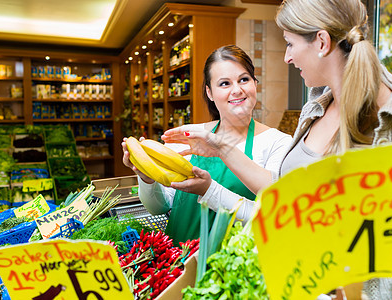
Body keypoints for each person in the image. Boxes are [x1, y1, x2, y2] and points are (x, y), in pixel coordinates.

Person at [161, 0, 392, 298]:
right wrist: (222, 148)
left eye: (290, 44)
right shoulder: (316, 108)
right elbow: (286, 199)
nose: (287, 58)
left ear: (321, 42)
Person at [122, 45, 292, 244]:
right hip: (177, 263)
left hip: (234, 266)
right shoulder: (190, 136)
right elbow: (159, 207)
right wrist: (147, 178)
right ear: (209, 93)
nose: (237, 90)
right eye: (224, 83)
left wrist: (208, 189)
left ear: (255, 84)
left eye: (244, 80)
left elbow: (271, 216)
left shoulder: (278, 143)